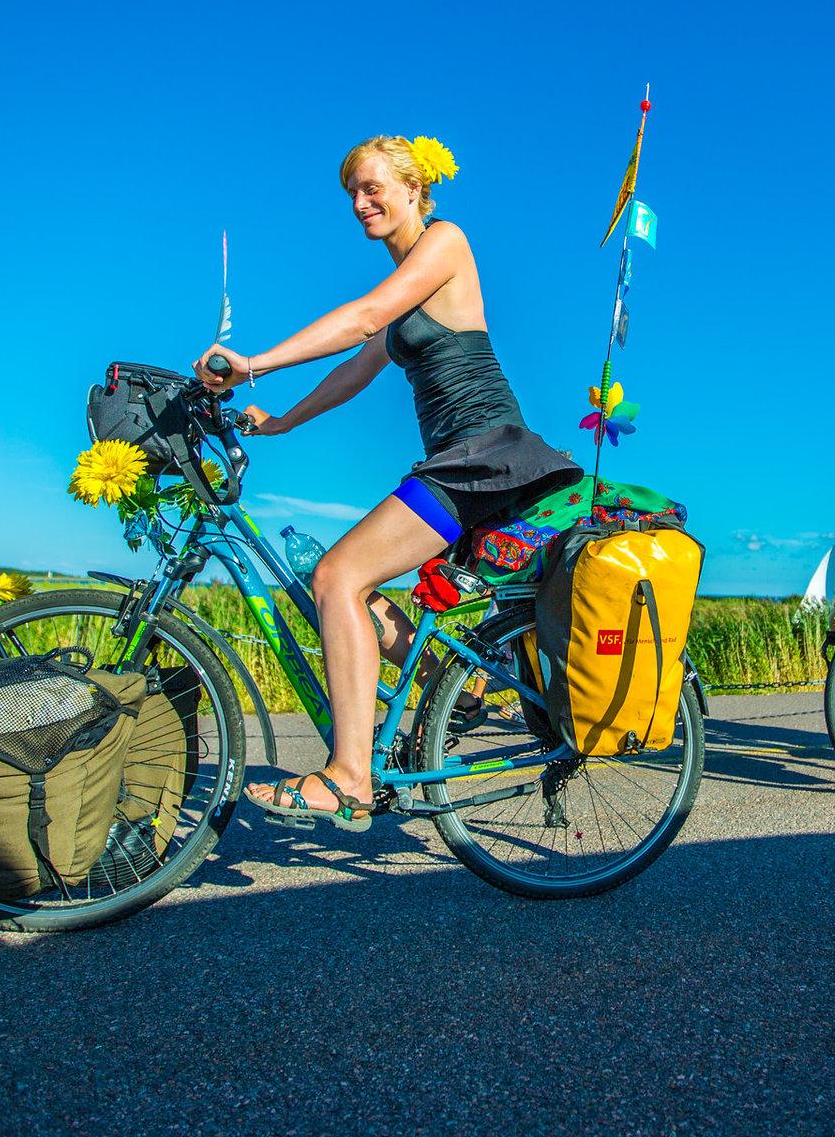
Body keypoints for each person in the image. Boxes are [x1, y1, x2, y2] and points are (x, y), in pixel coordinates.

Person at [194, 135, 580, 828]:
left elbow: (364, 318)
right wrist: (280, 422)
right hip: (460, 462)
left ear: (414, 189)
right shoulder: (408, 288)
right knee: (358, 597)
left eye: (373, 187)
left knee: (337, 578)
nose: (360, 202)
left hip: (484, 457)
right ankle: (450, 695)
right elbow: (355, 370)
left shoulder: (446, 243)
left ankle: (348, 778)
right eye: (352, 193)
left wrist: (252, 363)